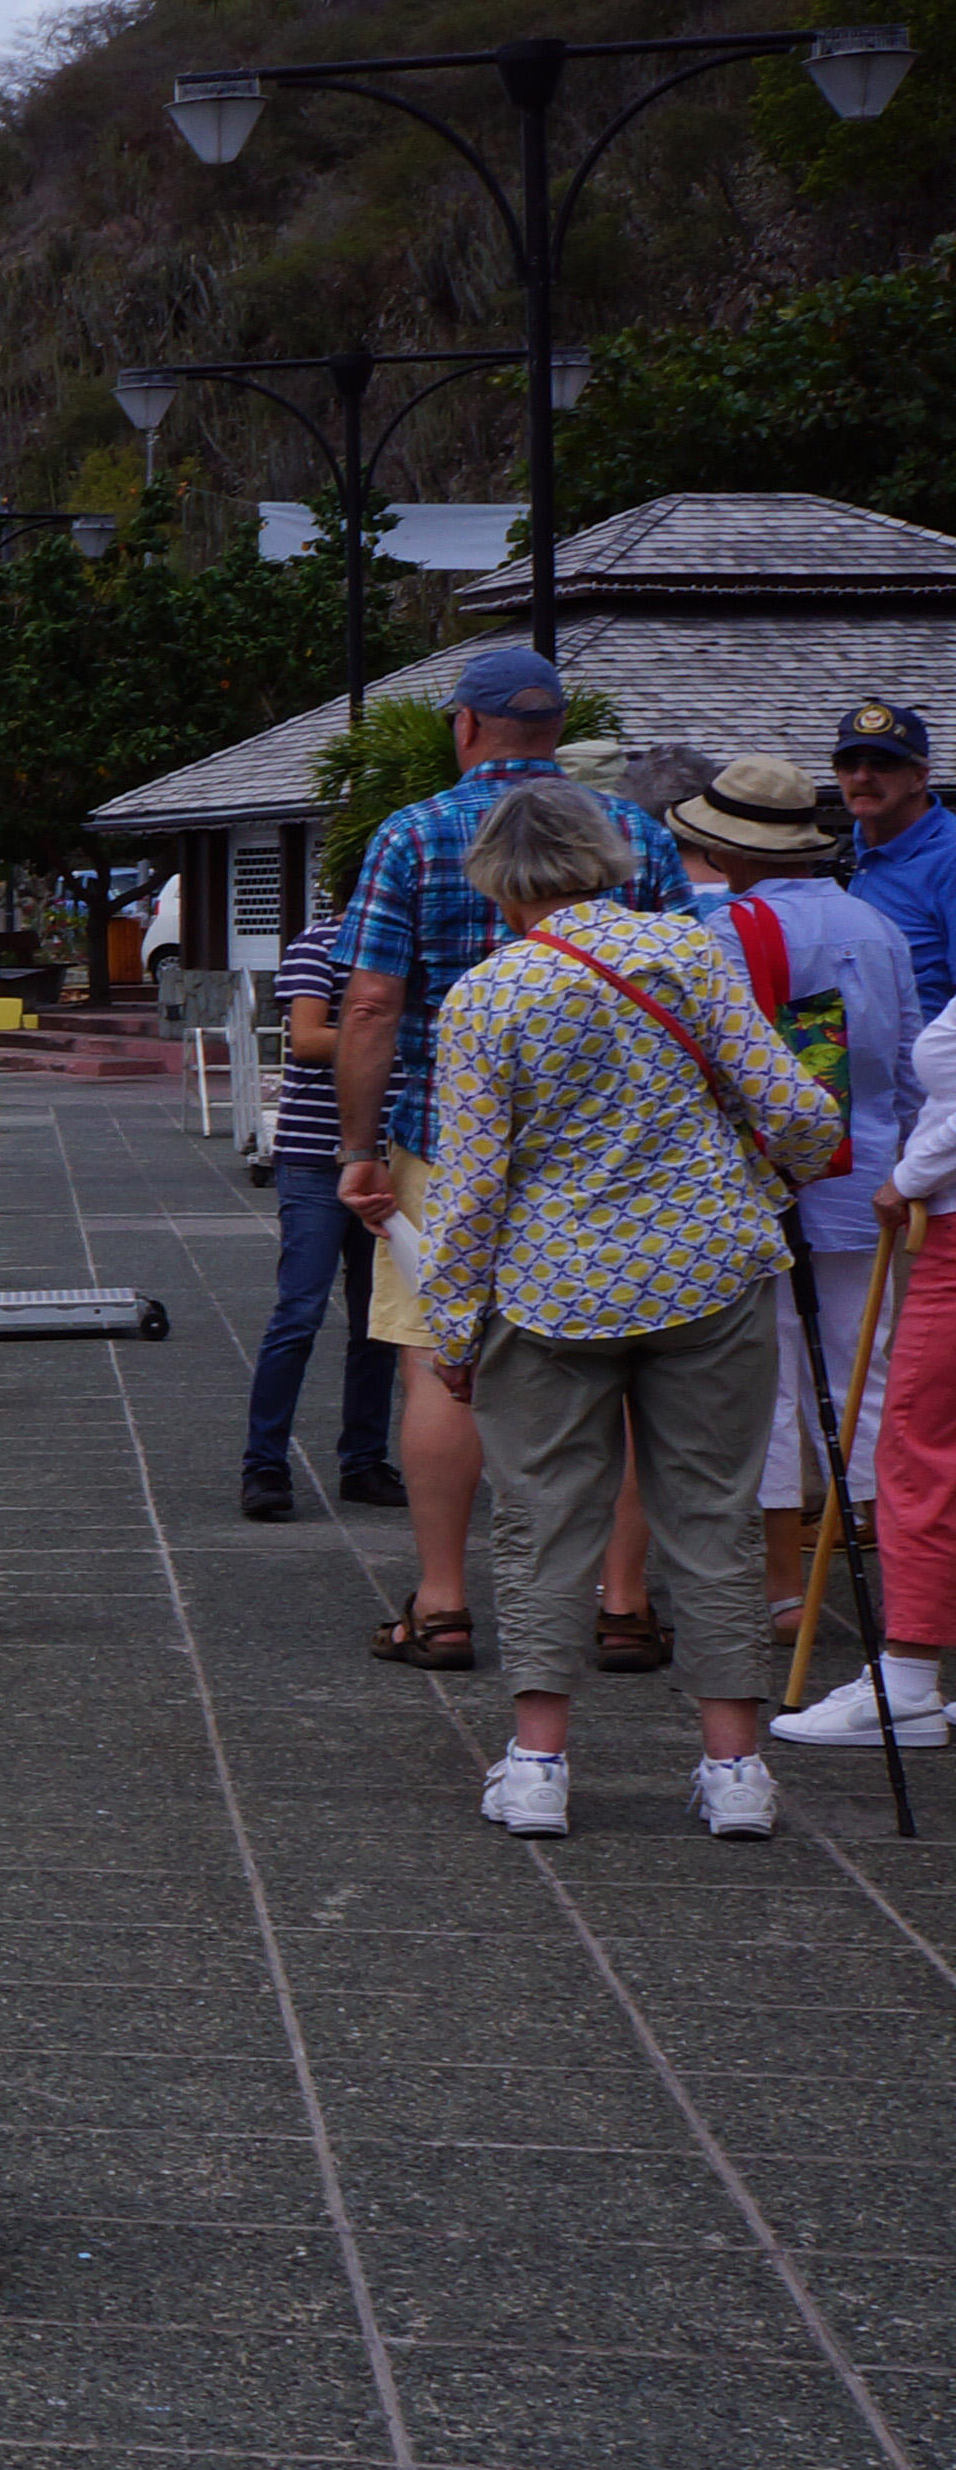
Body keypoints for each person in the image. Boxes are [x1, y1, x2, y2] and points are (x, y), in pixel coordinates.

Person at [409, 781, 840, 1835]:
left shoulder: (487, 998)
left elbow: (469, 1192)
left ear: (500, 884)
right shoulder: (689, 953)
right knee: (714, 1511)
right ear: (605, 856)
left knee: (544, 1516)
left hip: (552, 1288)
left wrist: (454, 1329)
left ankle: (539, 1764)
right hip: (708, 1270)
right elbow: (795, 1110)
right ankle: (736, 1769)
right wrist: (799, 1153)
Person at [337, 646, 690, 1667]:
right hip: (608, 1152)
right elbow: (675, 982)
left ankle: (443, 1601)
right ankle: (622, 1603)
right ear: (556, 726)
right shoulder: (634, 832)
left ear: (464, 725)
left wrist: (358, 1148)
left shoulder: (411, 833)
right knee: (624, 1364)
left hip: (445, 1141)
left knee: (438, 1367)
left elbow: (369, 1003)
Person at [666, 757, 916, 1656]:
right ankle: (904, 1590)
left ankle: (781, 1589)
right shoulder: (875, 921)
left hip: (766, 1186)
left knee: (766, 1386)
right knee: (870, 1381)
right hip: (873, 1178)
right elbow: (910, 1064)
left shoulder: (728, 928)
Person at [237, 902, 403, 1522]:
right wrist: (389, 1031)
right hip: (315, 1156)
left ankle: (364, 1461)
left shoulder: (414, 945)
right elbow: (305, 1039)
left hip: (395, 1154)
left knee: (379, 1323)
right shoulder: (322, 942)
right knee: (298, 1314)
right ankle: (264, 1466)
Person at [833, 696, 956, 1016]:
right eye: (849, 763)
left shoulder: (949, 860)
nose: (862, 777)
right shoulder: (846, 852)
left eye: (882, 763)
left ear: (919, 776)